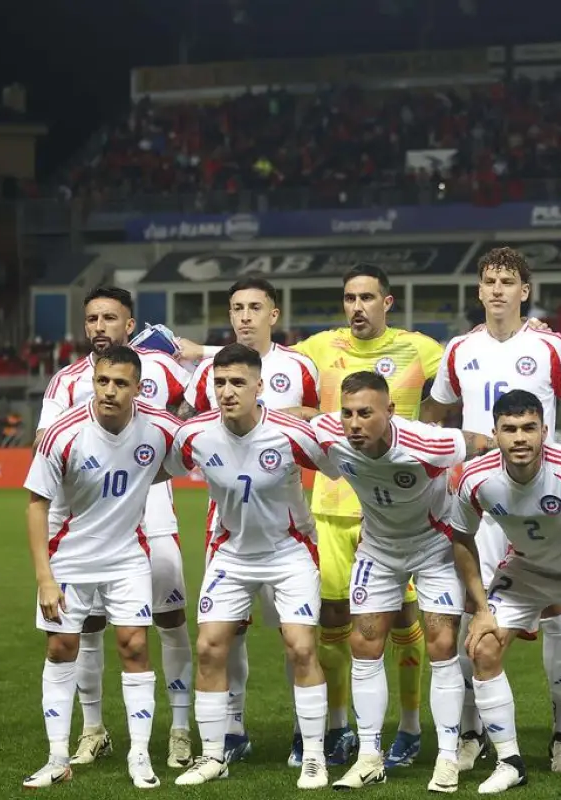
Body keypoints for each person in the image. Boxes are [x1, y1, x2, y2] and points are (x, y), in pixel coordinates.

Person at [181, 264, 442, 768]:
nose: (358, 306)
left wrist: (530, 330)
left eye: (368, 297)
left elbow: (464, 370)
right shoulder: (318, 350)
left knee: (405, 622)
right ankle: (337, 728)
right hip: (327, 506)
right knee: (332, 626)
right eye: (350, 297)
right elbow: (256, 357)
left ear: (387, 303)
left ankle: (409, 728)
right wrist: (205, 353)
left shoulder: (420, 347)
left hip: (395, 509)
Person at [424, 246, 561, 775]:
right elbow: (434, 411)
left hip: (540, 498)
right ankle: (476, 733)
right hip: (482, 499)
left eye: (508, 281)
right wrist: (442, 448)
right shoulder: (459, 349)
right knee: (472, 618)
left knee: (555, 618)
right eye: (489, 280)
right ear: (478, 290)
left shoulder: (550, 345)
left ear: (524, 291)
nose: (497, 289)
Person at [309, 371, 494, 792]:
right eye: (348, 414)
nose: (354, 424)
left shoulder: (428, 443)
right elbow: (299, 421)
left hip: (434, 546)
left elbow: (483, 442)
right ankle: (369, 756)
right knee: (364, 644)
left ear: (390, 412)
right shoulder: (330, 434)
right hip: (378, 547)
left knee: (442, 644)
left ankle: (447, 758)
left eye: (366, 414)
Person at [36, 287, 195, 769]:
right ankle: (93, 729)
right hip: (86, 521)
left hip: (153, 513)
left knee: (169, 619)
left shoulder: (161, 368)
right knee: (86, 627)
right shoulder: (65, 382)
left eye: (110, 317)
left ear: (130, 325)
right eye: (92, 318)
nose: (99, 326)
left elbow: (196, 413)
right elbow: (46, 443)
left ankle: (182, 730)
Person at [165, 343, 333, 788]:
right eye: (220, 383)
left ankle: (314, 756)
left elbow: (341, 466)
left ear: (260, 386)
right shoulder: (195, 434)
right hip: (232, 553)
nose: (227, 391)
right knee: (209, 648)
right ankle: (214, 755)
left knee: (300, 647)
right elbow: (161, 466)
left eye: (238, 382)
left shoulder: (290, 432)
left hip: (289, 551)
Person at [449, 390, 561, 796]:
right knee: (483, 647)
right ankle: (510, 762)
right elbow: (460, 538)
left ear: (546, 430)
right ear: (495, 433)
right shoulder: (477, 478)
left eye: (529, 428)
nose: (520, 438)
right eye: (509, 429)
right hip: (526, 571)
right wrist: (480, 608)